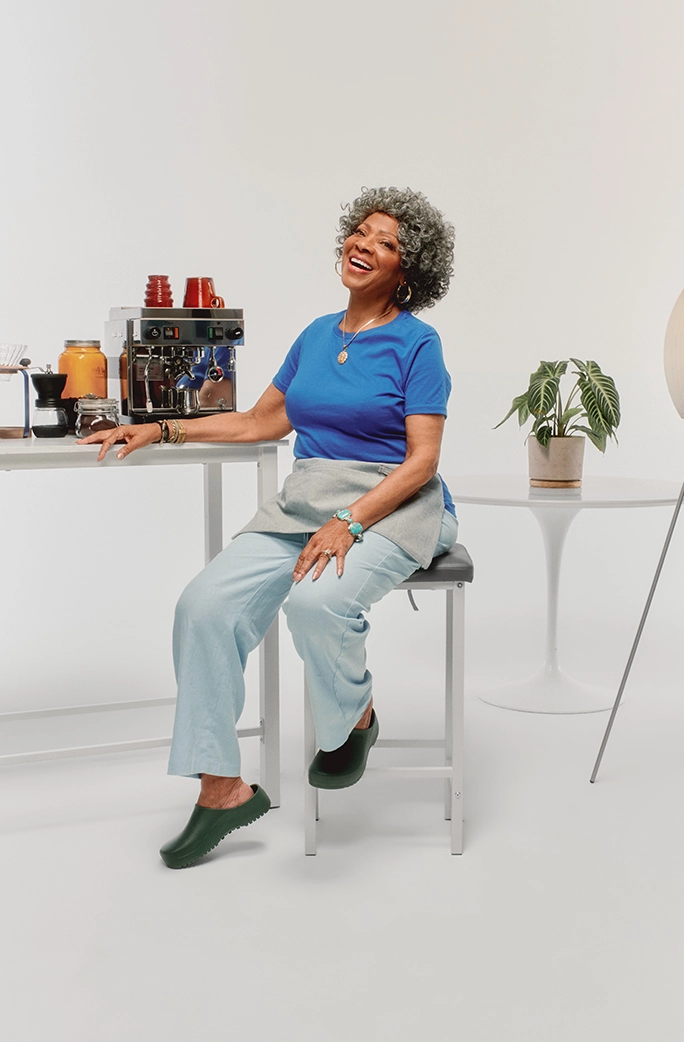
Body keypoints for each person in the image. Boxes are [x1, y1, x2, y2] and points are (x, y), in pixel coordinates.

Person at [79, 186, 457, 868]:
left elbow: (423, 459)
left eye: (387, 242)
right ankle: (221, 787)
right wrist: (160, 428)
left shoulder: (417, 344)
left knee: (316, 604)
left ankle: (356, 718)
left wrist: (348, 522)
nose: (365, 245)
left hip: (391, 502)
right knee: (204, 607)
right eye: (362, 232)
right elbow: (259, 422)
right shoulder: (316, 335)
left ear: (408, 270)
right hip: (305, 502)